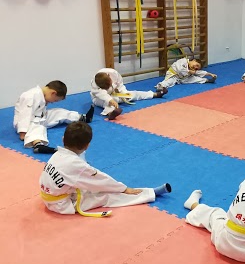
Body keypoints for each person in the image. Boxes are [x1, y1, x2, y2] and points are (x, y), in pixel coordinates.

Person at [39, 121, 171, 216]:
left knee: (90, 182)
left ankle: (145, 193)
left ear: (63, 139)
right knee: (107, 195)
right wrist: (124, 188)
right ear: (87, 145)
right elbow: (101, 180)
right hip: (63, 204)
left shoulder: (58, 154)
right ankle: (149, 193)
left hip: (52, 196)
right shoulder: (75, 165)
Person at [13, 80, 94, 154]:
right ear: (53, 93)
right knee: (38, 126)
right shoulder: (30, 96)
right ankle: (38, 145)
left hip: (40, 117)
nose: (53, 102)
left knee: (58, 112)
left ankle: (83, 118)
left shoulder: (42, 95)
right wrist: (22, 132)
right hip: (28, 122)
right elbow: (24, 115)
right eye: (55, 100)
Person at [90, 68, 168, 120]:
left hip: (114, 93)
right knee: (107, 103)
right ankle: (110, 113)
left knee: (132, 94)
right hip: (98, 98)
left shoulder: (114, 73)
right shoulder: (95, 83)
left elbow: (120, 85)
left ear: (109, 76)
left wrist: (124, 94)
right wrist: (110, 100)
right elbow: (101, 94)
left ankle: (155, 94)